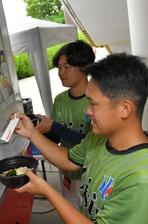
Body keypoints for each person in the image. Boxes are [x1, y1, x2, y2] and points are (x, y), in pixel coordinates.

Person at [10, 53, 148, 223]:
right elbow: (68, 160)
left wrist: (47, 191)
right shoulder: (99, 138)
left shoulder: (144, 181)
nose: (87, 111)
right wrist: (32, 133)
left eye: (93, 103)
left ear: (125, 108)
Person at [33, 40, 95, 209]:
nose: (60, 72)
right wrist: (36, 128)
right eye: (59, 67)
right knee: (70, 209)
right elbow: (56, 137)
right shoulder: (60, 99)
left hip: (90, 172)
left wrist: (54, 127)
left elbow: (93, 142)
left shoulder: (96, 99)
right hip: (66, 170)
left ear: (84, 67)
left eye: (66, 67)